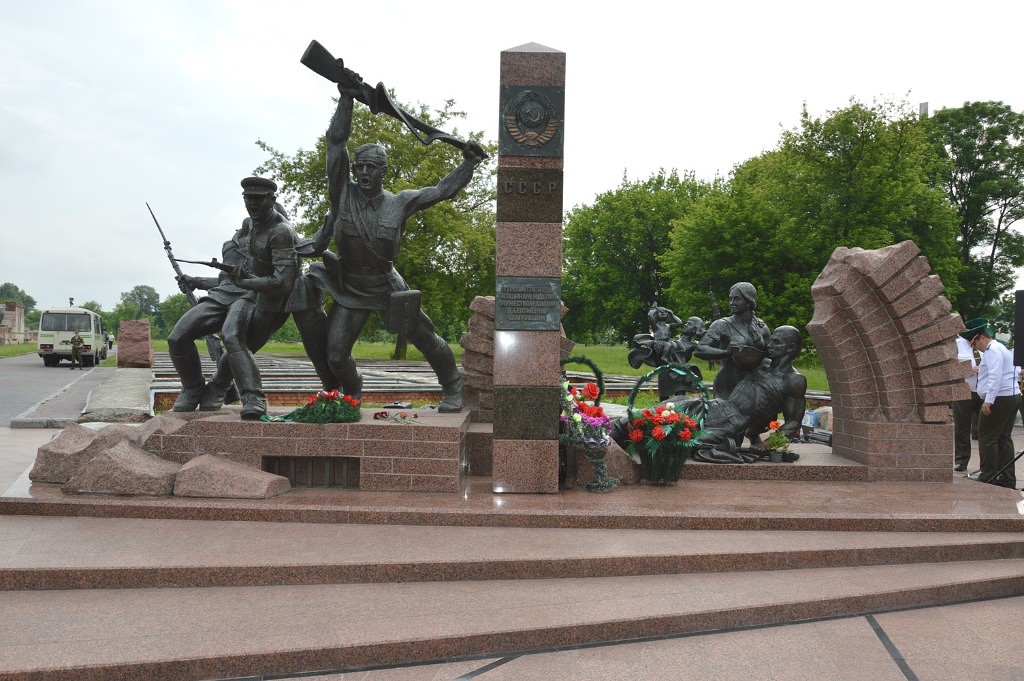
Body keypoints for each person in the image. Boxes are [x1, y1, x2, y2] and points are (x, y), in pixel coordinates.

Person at [298, 71, 485, 412]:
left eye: (371, 167)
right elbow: (335, 143)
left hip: (386, 285)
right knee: (336, 355)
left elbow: (441, 190)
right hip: (350, 287)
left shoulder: (400, 202)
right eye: (359, 167)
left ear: (383, 172)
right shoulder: (342, 193)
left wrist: (468, 163)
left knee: (424, 336)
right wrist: (346, 99)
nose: (363, 172)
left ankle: (453, 386)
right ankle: (353, 390)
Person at [169, 177, 298, 419]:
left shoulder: (278, 233)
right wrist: (196, 281)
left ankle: (251, 396)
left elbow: (280, 279)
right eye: (248, 199)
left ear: (271, 201)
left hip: (251, 295)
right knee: (177, 337)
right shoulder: (240, 237)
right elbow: (226, 278)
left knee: (232, 336)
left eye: (258, 199)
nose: (252, 205)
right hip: (223, 295)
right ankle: (193, 388)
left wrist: (245, 283)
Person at [961, 318, 1020, 489]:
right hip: (1010, 395)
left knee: (987, 436)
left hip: (1000, 397)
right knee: (1003, 437)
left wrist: (988, 401)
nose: (975, 348)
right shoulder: (1000, 348)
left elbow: (995, 376)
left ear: (981, 338)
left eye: (974, 344)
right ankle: (1007, 479)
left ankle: (988, 476)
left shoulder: (992, 350)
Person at [694, 282, 771, 401]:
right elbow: (700, 349)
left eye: (737, 299)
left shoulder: (761, 327)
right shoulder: (722, 325)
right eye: (730, 299)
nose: (732, 303)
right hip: (728, 385)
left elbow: (771, 354)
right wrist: (727, 352)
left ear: (748, 301)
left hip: (754, 384)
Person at [952, 328, 980, 472]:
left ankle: (988, 463)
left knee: (985, 430)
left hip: (983, 390)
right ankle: (961, 460)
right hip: (963, 389)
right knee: (962, 428)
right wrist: (968, 369)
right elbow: (950, 367)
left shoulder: (984, 346)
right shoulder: (957, 344)